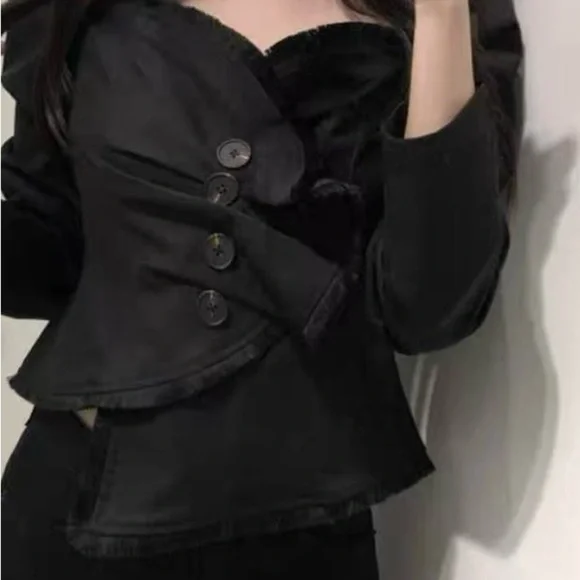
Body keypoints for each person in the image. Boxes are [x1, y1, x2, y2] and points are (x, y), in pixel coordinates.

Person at [0, 0, 523, 578]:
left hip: (295, 532)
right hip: (76, 503)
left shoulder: (439, 19)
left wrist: (442, 16)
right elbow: (50, 242)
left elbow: (429, 306)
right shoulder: (79, 13)